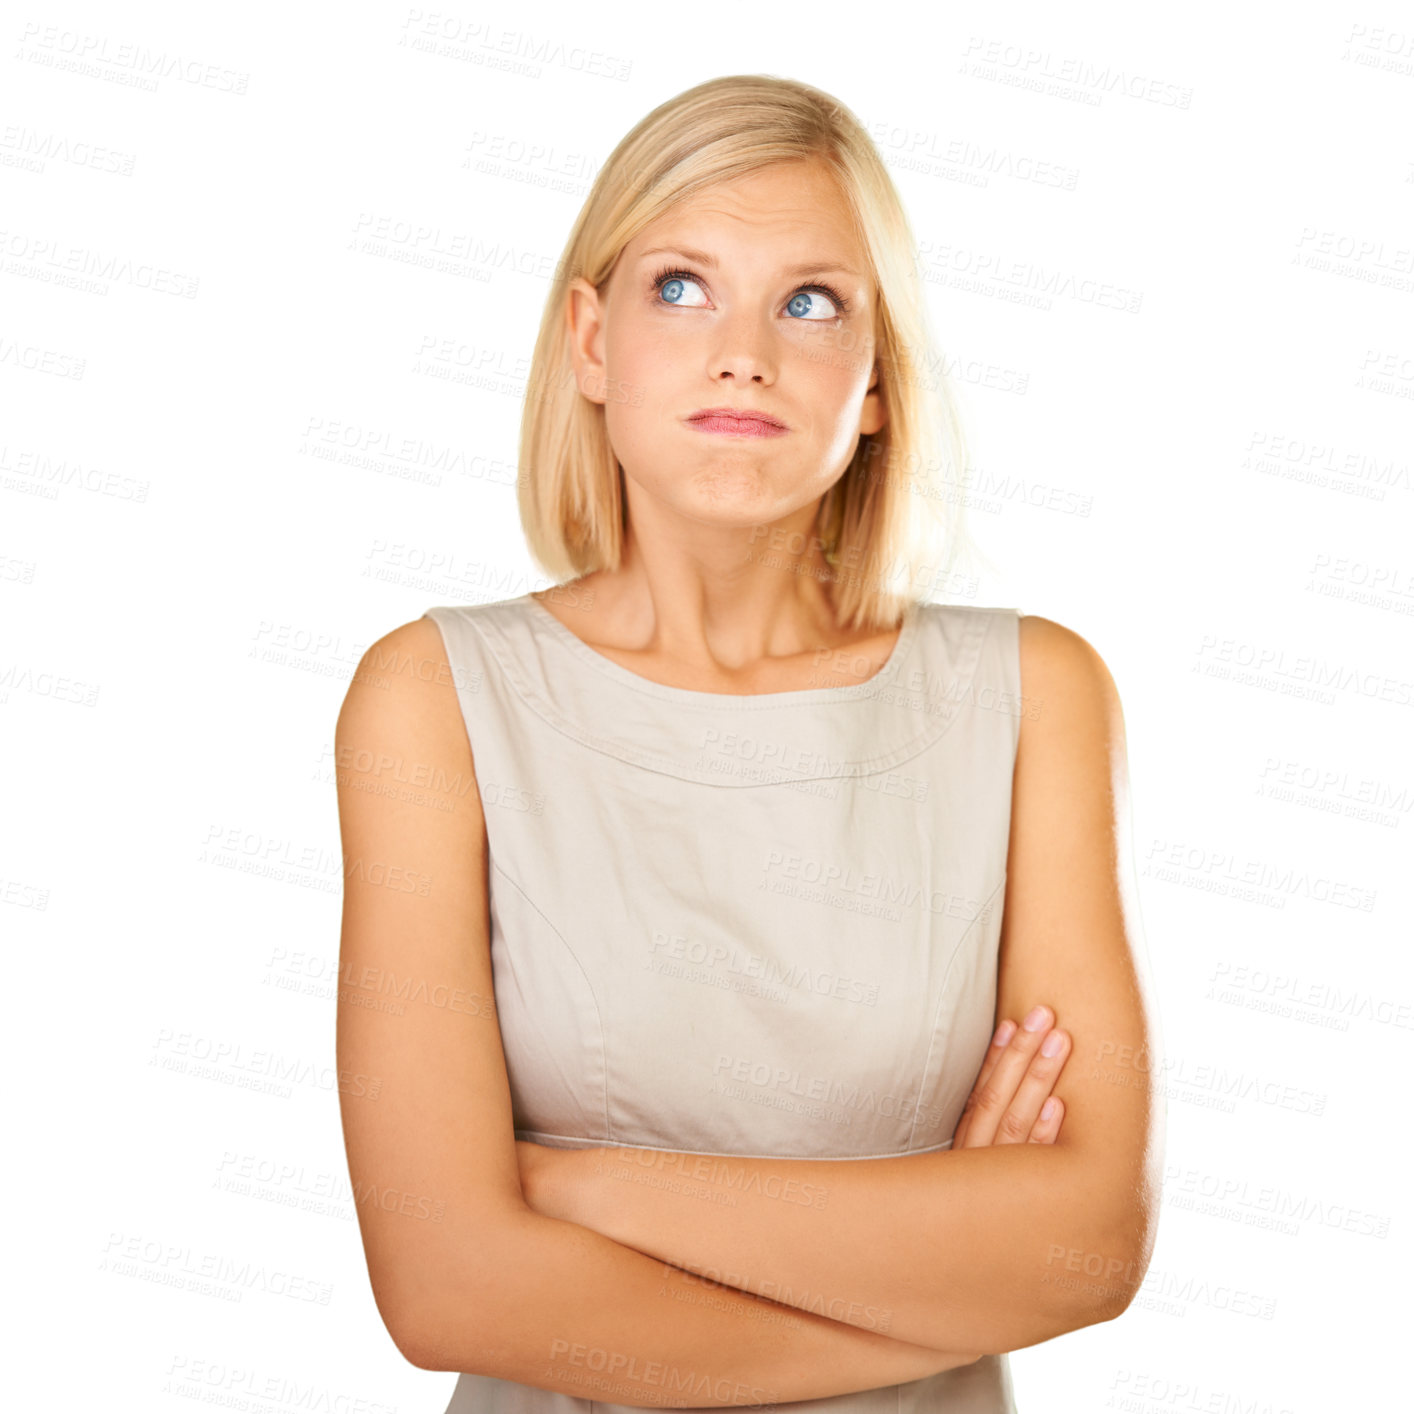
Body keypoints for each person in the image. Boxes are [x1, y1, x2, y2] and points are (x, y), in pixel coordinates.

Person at [334, 74, 1163, 1414]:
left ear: (878, 377)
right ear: (589, 345)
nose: (743, 351)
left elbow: (1088, 1242)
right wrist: (937, 1262)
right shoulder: (433, 697)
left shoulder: (1033, 696)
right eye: (679, 286)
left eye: (811, 302)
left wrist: (570, 1182)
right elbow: (447, 1290)